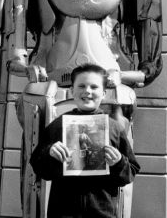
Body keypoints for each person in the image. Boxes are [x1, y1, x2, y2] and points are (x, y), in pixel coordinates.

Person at [30, 63, 140, 218]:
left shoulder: (114, 128)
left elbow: (130, 173)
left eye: (94, 87)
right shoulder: (58, 126)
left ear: (103, 93)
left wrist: (119, 162)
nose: (87, 91)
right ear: (71, 91)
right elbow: (38, 167)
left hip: (102, 212)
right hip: (63, 212)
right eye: (81, 86)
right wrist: (50, 155)